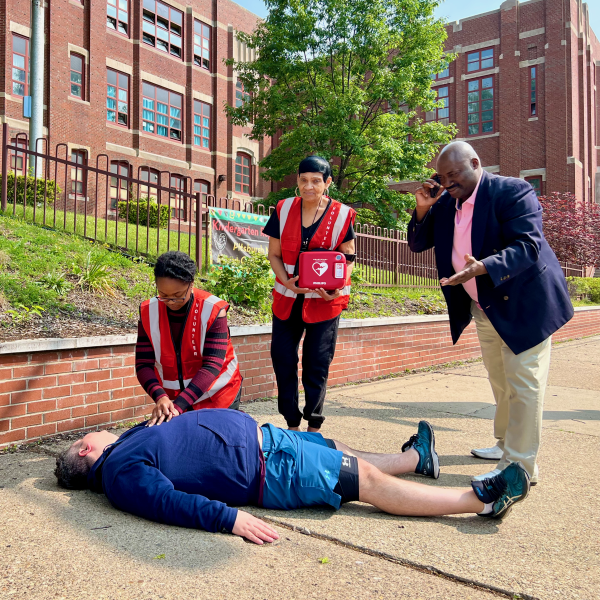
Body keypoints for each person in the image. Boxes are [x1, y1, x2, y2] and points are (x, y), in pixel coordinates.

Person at [54, 410, 531, 543]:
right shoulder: (119, 474)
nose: (98, 430)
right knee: (362, 481)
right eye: (92, 434)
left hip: (265, 443)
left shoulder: (129, 443)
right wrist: (229, 520)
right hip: (270, 470)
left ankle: (415, 460)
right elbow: (165, 502)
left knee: (335, 449)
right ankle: (478, 501)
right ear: (86, 450)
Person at [407, 141, 574, 486]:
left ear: (475, 163)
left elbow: (528, 245)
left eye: (454, 175)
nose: (449, 183)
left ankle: (521, 467)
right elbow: (418, 243)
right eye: (443, 178)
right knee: (500, 380)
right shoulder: (447, 203)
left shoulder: (511, 191)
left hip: (526, 305)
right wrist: (423, 208)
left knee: (524, 383)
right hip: (485, 308)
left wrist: (483, 267)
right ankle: (504, 446)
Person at [264, 156, 357, 433]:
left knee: (317, 363)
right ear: (297, 181)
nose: (309, 186)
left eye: (316, 181)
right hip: (287, 299)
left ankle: (314, 424)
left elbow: (348, 258)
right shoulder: (283, 209)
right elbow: (274, 254)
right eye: (304, 180)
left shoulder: (342, 214)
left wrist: (337, 288)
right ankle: (291, 421)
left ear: (327, 183)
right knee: (282, 358)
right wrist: (287, 282)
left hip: (325, 303)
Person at [136, 251, 243, 426]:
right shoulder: (149, 311)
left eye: (178, 295)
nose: (171, 301)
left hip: (219, 395)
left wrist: (179, 406)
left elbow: (212, 365)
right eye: (163, 294)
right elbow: (143, 364)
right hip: (174, 400)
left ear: (191, 284)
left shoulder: (213, 310)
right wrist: (160, 396)